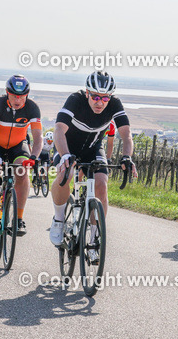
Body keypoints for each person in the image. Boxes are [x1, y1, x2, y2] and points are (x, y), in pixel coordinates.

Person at [48, 71, 137, 247]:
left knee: (101, 184)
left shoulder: (115, 104)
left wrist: (127, 156)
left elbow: (126, 134)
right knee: (65, 173)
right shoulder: (75, 100)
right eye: (95, 97)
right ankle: (58, 219)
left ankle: (95, 237)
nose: (100, 102)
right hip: (67, 146)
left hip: (93, 148)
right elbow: (59, 129)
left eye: (105, 98)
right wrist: (65, 154)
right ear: (87, 93)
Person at [0, 75, 42, 235]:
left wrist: (33, 157)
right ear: (7, 92)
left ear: (27, 95)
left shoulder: (33, 108)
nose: (18, 99)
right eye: (14, 95)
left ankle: (19, 219)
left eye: (22, 96)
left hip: (17, 145)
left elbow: (38, 138)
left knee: (22, 172)